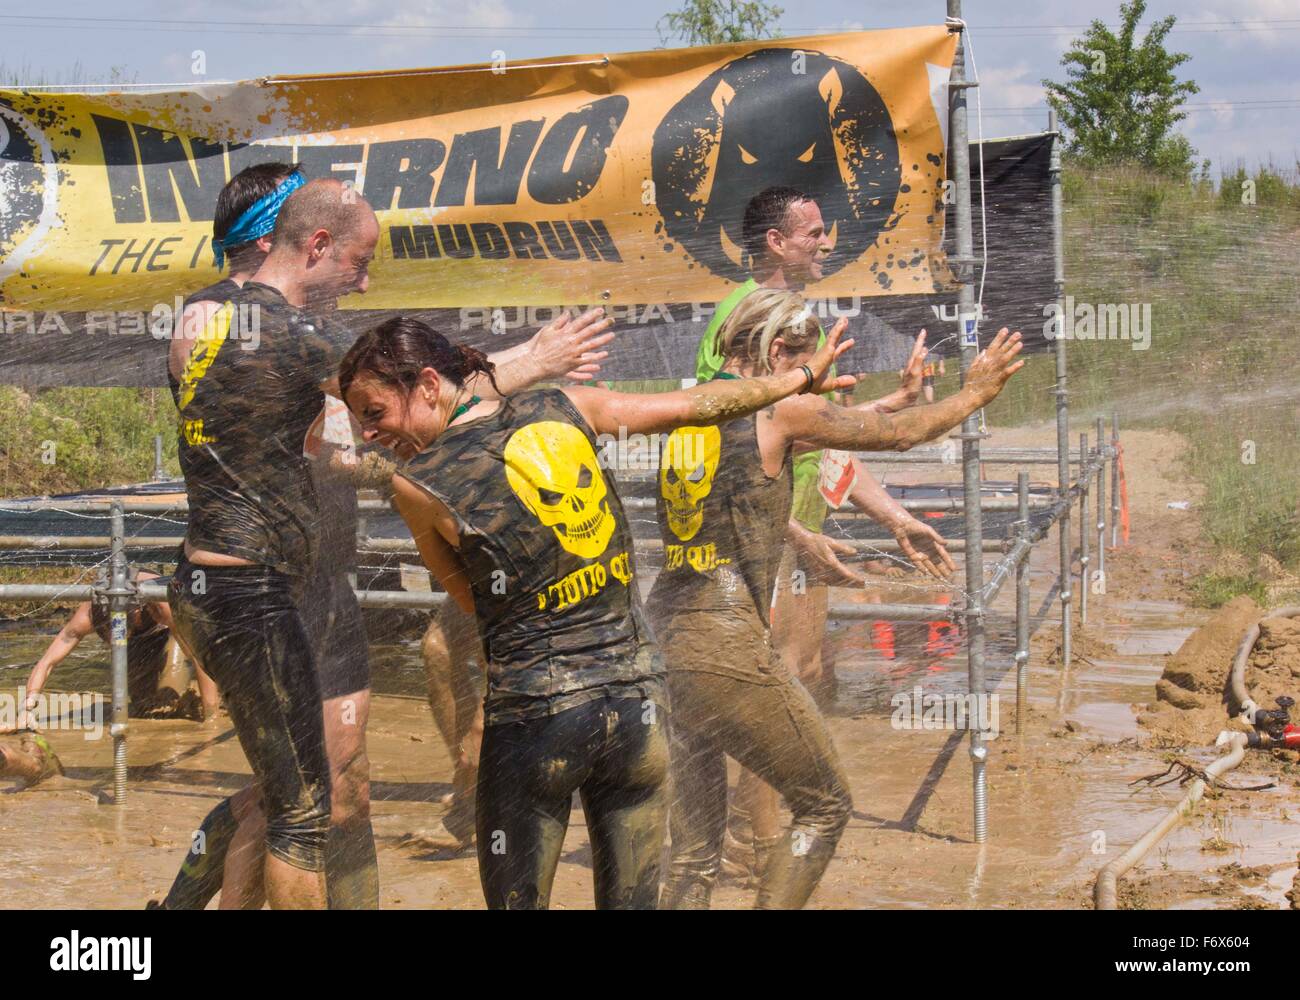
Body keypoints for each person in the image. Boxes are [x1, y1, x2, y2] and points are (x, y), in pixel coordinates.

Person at [156, 169, 618, 910]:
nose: (364, 282)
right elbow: (418, 392)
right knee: (299, 811)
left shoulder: (247, 327)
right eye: (357, 263)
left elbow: (288, 447)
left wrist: (371, 464)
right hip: (251, 591)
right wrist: (533, 360)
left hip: (272, 586)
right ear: (313, 244)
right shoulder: (271, 325)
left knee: (324, 788)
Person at [338, 315, 853, 909]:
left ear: (429, 384)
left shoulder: (416, 485)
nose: (370, 434)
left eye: (374, 413)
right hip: (637, 710)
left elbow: (475, 604)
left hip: (537, 720)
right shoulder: (567, 406)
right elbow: (699, 405)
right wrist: (798, 379)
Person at [651, 289, 1023, 908]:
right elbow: (898, 436)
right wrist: (975, 394)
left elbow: (744, 487)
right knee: (824, 805)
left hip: (666, 634)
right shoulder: (780, 414)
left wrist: (800, 530)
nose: (816, 377)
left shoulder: (689, 407)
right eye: (807, 362)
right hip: (726, 640)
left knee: (694, 846)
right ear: (776, 352)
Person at [695, 185, 956, 876]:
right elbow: (733, 451)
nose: (826, 241)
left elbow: (818, 443)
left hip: (799, 529)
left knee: (803, 678)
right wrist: (792, 536)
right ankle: (747, 849)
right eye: (812, 231)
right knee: (770, 693)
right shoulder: (742, 316)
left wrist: (897, 517)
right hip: (764, 536)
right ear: (775, 242)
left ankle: (747, 837)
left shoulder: (800, 321)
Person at [17, 568, 217, 726]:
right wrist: (27, 709)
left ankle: (213, 698)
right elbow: (47, 662)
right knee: (144, 707)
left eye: (119, 634)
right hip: (137, 640)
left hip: (169, 630)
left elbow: (198, 657)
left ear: (137, 611)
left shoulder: (161, 604)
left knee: (170, 700)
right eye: (106, 636)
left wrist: (211, 718)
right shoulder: (87, 616)